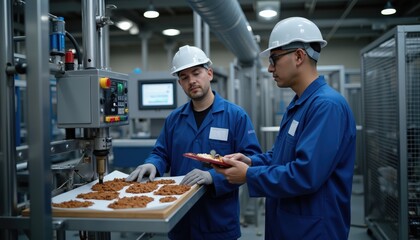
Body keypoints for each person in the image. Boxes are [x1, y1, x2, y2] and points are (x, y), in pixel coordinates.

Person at [214, 17, 357, 240]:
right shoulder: (299, 104)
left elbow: (305, 174)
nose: (270, 68)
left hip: (314, 229)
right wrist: (251, 162)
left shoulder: (326, 106)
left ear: (299, 56)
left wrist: (249, 175)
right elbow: (283, 156)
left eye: (275, 59)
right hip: (290, 223)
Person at [126, 45, 262, 240]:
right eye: (184, 77)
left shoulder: (235, 116)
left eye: (196, 73)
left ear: (209, 73)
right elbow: (161, 153)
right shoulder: (174, 119)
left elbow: (252, 160)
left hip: (218, 221)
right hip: (181, 220)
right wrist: (152, 163)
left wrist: (213, 177)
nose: (191, 81)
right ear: (180, 83)